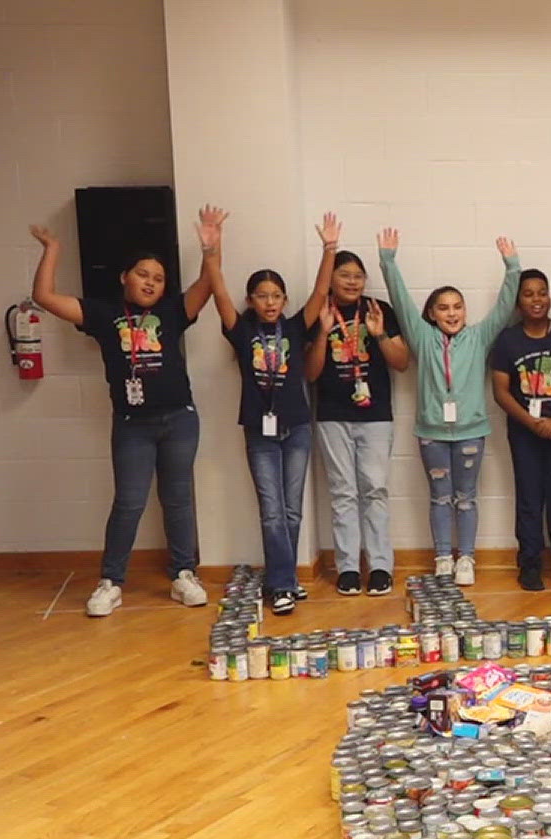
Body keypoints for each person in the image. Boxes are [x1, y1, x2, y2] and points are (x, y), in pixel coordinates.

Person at [27, 204, 223, 617]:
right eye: (143, 274)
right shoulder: (104, 313)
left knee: (178, 499)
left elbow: (207, 287)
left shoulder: (171, 311)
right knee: (129, 502)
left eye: (158, 278)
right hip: (133, 424)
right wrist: (53, 248)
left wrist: (211, 247)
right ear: (124, 277)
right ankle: (111, 582)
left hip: (179, 419)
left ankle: (183, 574)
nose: (151, 283)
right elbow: (43, 297)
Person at [207, 212, 342, 616]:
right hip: (258, 430)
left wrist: (329, 249)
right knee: (271, 509)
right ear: (252, 300)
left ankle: (286, 578)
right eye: (262, 296)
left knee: (292, 508)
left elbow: (320, 292)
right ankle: (281, 583)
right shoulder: (241, 330)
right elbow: (218, 295)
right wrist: (212, 250)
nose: (269, 302)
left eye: (276, 296)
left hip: (296, 426)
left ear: (284, 301)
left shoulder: (296, 328)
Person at [377, 229, 521, 587]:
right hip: (432, 434)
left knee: (466, 498)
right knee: (441, 497)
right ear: (431, 313)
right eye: (443, 307)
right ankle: (443, 556)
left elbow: (505, 306)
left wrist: (512, 266)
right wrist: (388, 261)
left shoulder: (479, 336)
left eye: (458, 306)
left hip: (472, 432)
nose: (452, 313)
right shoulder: (422, 336)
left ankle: (466, 559)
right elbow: (401, 300)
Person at [306, 248, 409, 598]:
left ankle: (380, 566)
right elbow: (310, 372)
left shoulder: (378, 310)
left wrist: (378, 335)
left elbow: (402, 362)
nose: (352, 281)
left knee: (375, 489)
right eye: (344, 275)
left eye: (357, 275)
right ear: (330, 280)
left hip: (376, 415)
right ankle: (348, 567)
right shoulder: (318, 310)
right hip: (333, 415)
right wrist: (322, 332)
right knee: (343, 493)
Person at [490, 269, 551, 592]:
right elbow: (501, 392)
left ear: (549, 296)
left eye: (542, 292)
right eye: (529, 293)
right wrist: (532, 423)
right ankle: (530, 563)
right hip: (523, 431)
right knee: (529, 497)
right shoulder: (507, 340)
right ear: (518, 301)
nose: (536, 299)